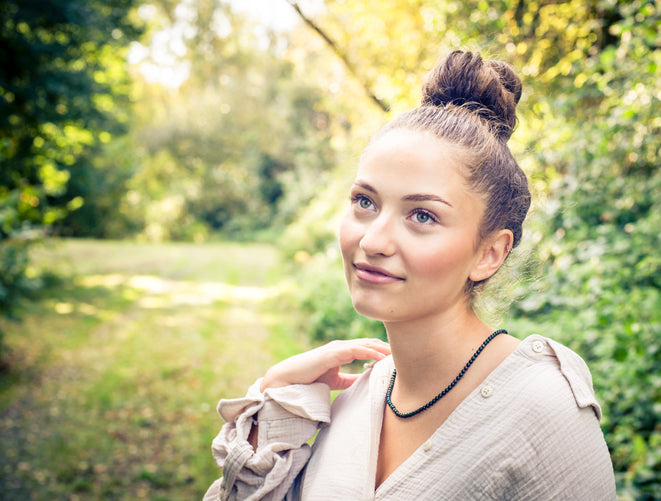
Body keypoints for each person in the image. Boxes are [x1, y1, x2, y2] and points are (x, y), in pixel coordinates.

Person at [204, 50, 617, 500]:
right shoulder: (357, 401)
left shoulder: (544, 411)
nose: (374, 241)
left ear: (490, 253)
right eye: (365, 202)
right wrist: (275, 402)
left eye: (422, 215)